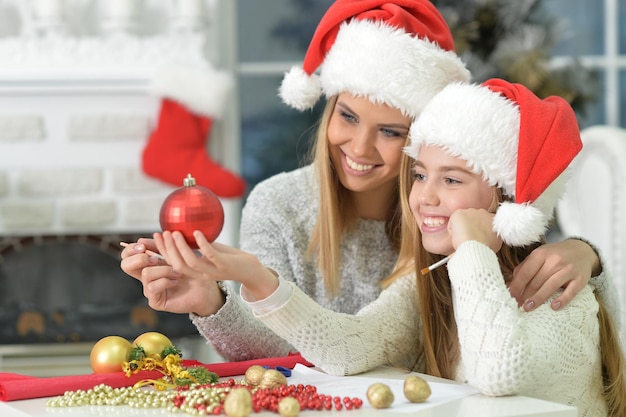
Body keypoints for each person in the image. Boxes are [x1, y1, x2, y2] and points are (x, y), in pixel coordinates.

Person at [121, 0, 607, 362]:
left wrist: (585, 252)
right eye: (348, 117)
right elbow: (278, 361)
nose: (358, 147)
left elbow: (522, 259)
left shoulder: (443, 215)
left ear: (423, 139)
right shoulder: (279, 205)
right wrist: (212, 302)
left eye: (391, 132)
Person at [156, 79, 624, 416]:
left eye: (452, 180)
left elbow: (497, 374)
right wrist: (254, 277)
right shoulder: (432, 283)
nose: (425, 196)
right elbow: (344, 348)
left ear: (508, 201)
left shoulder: (558, 292)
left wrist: (474, 250)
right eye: (420, 174)